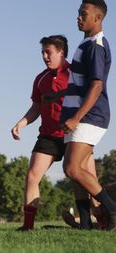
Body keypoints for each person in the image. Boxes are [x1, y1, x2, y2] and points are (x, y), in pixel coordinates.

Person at [11, 35, 80, 230]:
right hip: (48, 136)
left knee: (81, 178)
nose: (44, 56)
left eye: (48, 52)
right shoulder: (41, 78)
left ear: (61, 52)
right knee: (32, 176)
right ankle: (27, 226)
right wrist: (21, 123)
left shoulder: (75, 73)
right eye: (43, 52)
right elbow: (36, 107)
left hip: (74, 135)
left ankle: (99, 221)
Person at [60, 0, 115, 230]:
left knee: (71, 168)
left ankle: (112, 209)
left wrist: (76, 117)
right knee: (76, 172)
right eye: (78, 13)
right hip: (80, 115)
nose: (78, 18)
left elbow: (96, 86)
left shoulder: (96, 45)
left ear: (98, 18)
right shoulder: (86, 43)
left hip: (90, 116)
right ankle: (85, 224)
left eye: (84, 14)